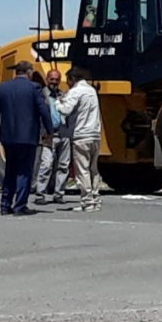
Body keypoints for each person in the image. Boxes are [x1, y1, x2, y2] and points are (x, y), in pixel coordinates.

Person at [0, 61, 53, 216]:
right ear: (29, 72)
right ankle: (20, 205)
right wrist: (49, 130)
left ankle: (5, 204)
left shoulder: (2, 87)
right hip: (28, 137)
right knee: (24, 172)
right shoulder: (34, 88)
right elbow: (43, 110)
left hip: (8, 137)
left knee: (10, 170)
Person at [56, 67, 103, 213]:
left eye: (68, 80)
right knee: (93, 169)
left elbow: (66, 109)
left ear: (72, 78)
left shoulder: (76, 91)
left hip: (81, 135)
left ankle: (87, 201)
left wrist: (58, 102)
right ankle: (95, 199)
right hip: (95, 134)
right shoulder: (91, 90)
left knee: (82, 170)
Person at [35, 69, 71, 205]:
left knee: (63, 165)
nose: (54, 82)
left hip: (64, 133)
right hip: (48, 134)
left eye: (56, 79)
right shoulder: (41, 95)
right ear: (47, 79)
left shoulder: (63, 95)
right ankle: (40, 194)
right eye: (52, 79)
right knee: (46, 164)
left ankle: (59, 194)